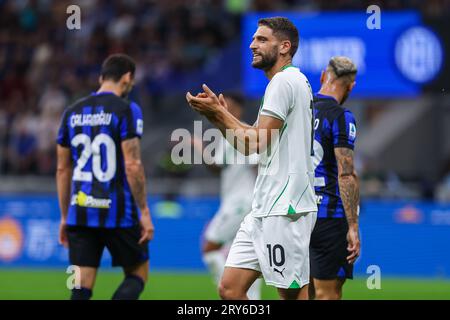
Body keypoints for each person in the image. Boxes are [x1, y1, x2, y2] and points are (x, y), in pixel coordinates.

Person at [186, 17, 317, 300]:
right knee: (230, 288)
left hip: (285, 208)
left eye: (261, 40)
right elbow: (251, 145)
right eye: (254, 38)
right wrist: (219, 117)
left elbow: (255, 142)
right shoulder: (283, 83)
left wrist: (219, 115)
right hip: (262, 207)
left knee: (292, 295)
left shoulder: (285, 82)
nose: (252, 44)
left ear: (284, 47)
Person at [56, 54, 154, 300]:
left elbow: (62, 169)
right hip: (118, 212)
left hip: (80, 210)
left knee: (81, 285)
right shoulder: (126, 109)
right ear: (127, 78)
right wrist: (143, 211)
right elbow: (132, 164)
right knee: (138, 273)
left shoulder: (71, 112)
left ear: (101, 78)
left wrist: (64, 216)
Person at [191, 93, 262, 300]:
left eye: (227, 105)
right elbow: (217, 167)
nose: (223, 107)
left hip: (241, 202)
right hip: (237, 201)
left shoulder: (243, 131)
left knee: (210, 247)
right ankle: (250, 299)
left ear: (238, 108)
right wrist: (200, 148)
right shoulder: (228, 132)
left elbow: (257, 164)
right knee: (245, 257)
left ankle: (229, 291)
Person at [309, 56, 361, 300]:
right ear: (350, 87)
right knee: (327, 294)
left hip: (294, 214)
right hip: (329, 218)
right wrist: (353, 226)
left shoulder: (297, 110)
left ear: (322, 76)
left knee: (298, 292)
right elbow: (346, 174)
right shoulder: (341, 117)